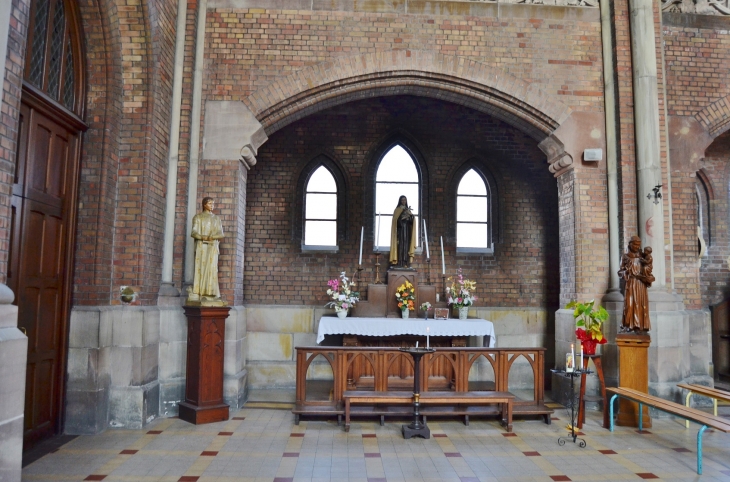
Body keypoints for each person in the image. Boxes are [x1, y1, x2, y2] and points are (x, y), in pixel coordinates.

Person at [189, 197, 225, 303]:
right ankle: (199, 292)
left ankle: (212, 293)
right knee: (201, 267)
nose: (212, 205)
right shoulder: (198, 217)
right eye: (210, 203)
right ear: (204, 204)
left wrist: (213, 237)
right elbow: (193, 232)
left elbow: (221, 233)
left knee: (212, 269)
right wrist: (204, 237)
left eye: (213, 203)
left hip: (213, 246)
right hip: (202, 246)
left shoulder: (216, 218)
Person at [618, 236, 655, 332]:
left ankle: (640, 326)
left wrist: (647, 275)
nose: (636, 247)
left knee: (641, 304)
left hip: (641, 284)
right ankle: (629, 325)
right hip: (631, 283)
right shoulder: (625, 257)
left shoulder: (643, 257)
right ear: (630, 244)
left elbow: (649, 267)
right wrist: (625, 273)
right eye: (634, 244)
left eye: (638, 245)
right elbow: (620, 271)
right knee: (629, 305)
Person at [389, 195, 417, 268]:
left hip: (407, 230)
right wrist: (401, 221)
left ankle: (405, 262)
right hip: (400, 230)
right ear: (400, 201)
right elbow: (395, 220)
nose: (403, 201)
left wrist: (411, 217)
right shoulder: (397, 209)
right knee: (400, 245)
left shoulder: (408, 210)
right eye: (402, 200)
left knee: (406, 246)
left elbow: (411, 222)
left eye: (405, 200)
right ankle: (399, 262)